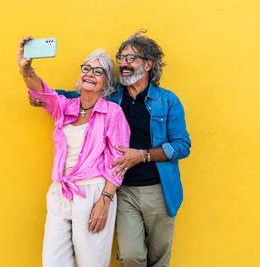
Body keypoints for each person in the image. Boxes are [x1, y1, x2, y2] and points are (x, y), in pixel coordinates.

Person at [29, 31, 191, 267]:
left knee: (158, 258)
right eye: (121, 58)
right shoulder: (114, 98)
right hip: (122, 189)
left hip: (158, 188)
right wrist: (42, 96)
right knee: (131, 255)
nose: (123, 63)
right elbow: (81, 94)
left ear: (148, 64)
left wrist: (142, 155)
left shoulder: (167, 100)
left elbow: (182, 145)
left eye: (131, 58)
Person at [17, 36, 130, 267]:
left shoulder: (113, 113)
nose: (89, 74)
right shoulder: (65, 107)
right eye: (86, 68)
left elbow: (118, 162)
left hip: (93, 192)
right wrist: (26, 69)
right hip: (60, 191)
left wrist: (105, 201)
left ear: (107, 83)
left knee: (92, 263)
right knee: (53, 262)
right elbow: (44, 94)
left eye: (98, 71)